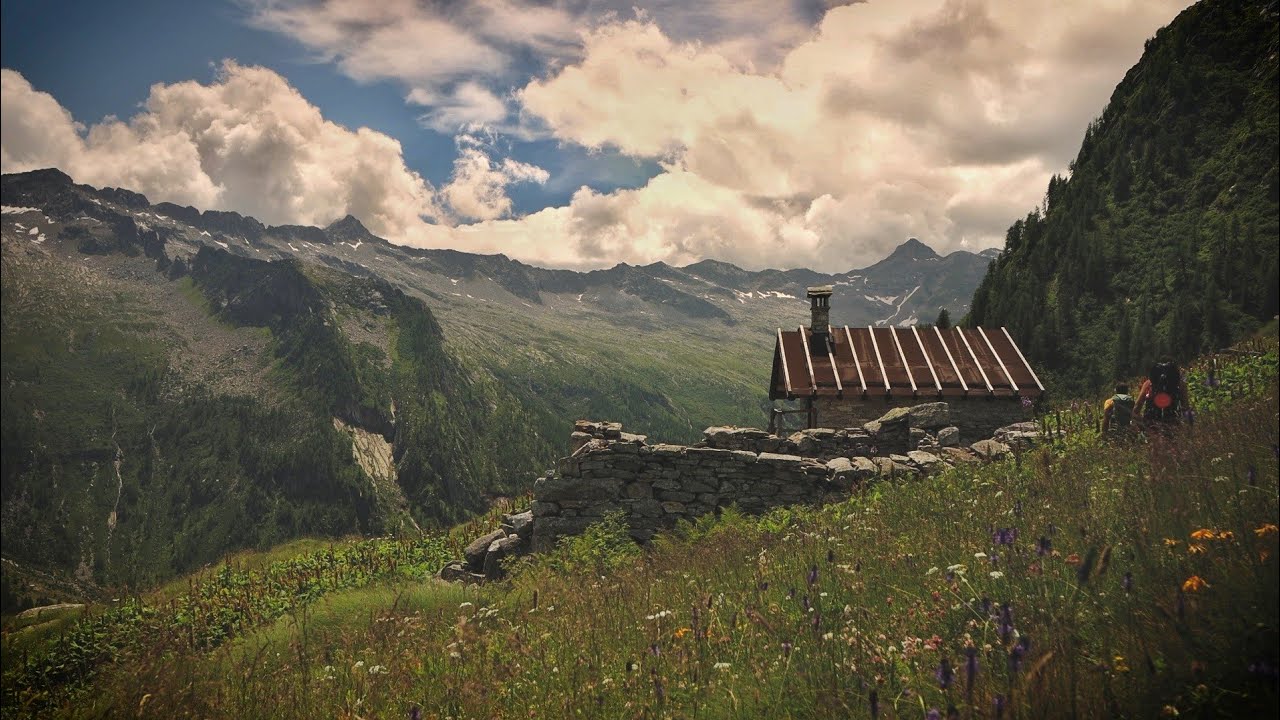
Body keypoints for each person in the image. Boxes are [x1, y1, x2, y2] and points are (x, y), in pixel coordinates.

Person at [1133, 359, 1192, 435]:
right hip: (1173, 429)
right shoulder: (1180, 385)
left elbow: (1136, 410)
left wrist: (1142, 427)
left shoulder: (1148, 384)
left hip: (1151, 430)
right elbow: (1186, 408)